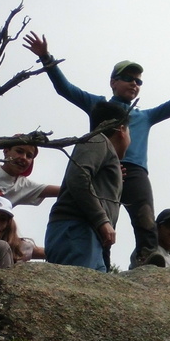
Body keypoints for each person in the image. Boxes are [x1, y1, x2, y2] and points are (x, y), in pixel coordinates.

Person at [23, 32, 170, 268]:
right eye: (128, 78)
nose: (134, 83)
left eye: (139, 81)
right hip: (103, 165)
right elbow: (66, 89)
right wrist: (46, 58)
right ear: (113, 82)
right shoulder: (99, 105)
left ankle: (147, 255)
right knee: (102, 214)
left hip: (135, 171)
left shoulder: (144, 115)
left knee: (144, 214)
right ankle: (104, 258)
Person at [45, 101, 130, 272]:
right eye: (129, 131)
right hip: (77, 230)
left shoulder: (105, 152)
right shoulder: (98, 140)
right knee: (75, 294)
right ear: (121, 130)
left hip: (90, 238)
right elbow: (78, 177)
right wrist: (102, 220)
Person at [0, 196, 45, 269]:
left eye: (2, 219)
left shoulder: (19, 246)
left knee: (0, 245)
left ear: (8, 223)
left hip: (8, 279)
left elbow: (51, 252)